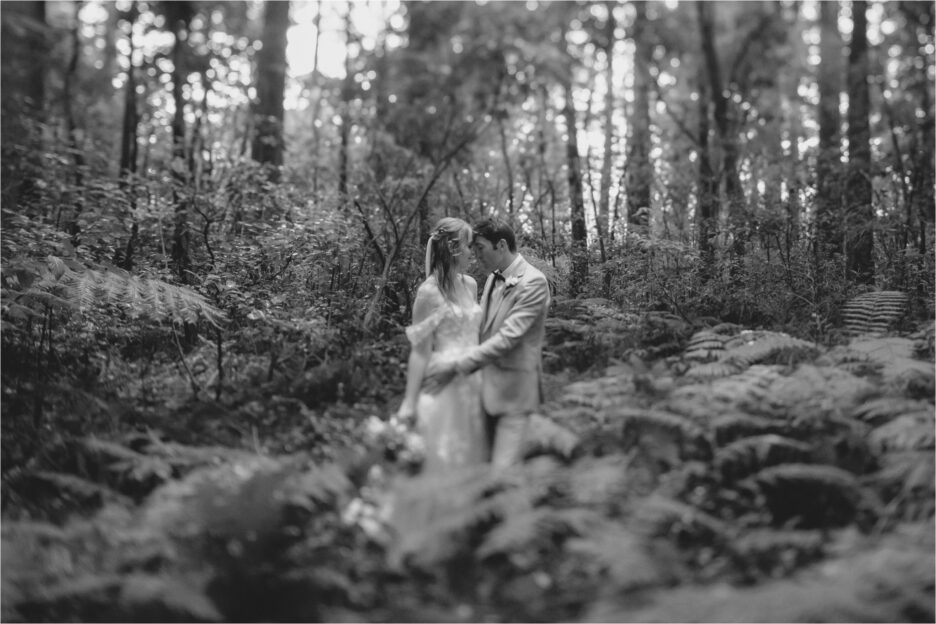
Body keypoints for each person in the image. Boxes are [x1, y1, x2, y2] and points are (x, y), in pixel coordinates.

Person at [424, 218, 551, 469]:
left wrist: (455, 365)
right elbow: (480, 331)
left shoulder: (534, 282)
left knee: (503, 476)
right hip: (481, 394)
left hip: (513, 396)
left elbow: (507, 339)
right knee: (479, 471)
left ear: (501, 245)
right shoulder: (493, 278)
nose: (474, 255)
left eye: (480, 247)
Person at [395, 217, 487, 472]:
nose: (473, 253)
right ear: (453, 248)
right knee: (444, 457)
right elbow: (420, 352)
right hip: (444, 383)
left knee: (473, 452)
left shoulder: (470, 285)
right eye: (469, 246)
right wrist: (409, 402)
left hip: (473, 378)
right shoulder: (428, 292)